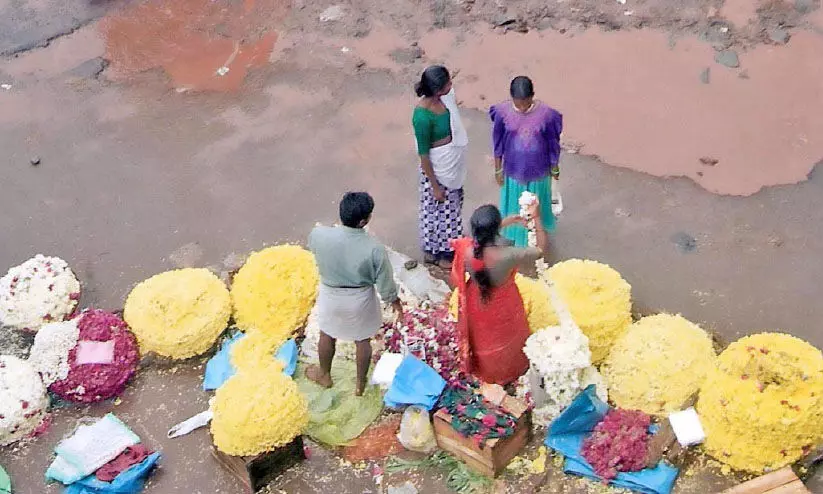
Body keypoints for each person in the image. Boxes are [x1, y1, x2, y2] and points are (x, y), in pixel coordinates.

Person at [306, 192, 404, 396]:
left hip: (331, 296)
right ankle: (360, 385)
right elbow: (385, 284)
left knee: (327, 333)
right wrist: (395, 303)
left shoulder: (319, 235)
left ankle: (324, 374)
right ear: (364, 221)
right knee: (362, 340)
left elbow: (313, 248)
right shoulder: (374, 248)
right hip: (359, 301)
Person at [450, 202, 549, 385]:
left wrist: (503, 223)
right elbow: (540, 250)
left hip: (476, 300)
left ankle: (486, 373)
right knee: (507, 338)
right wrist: (536, 218)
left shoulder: (467, 249)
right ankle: (509, 373)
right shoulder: (509, 254)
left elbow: (481, 240)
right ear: (495, 229)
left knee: (483, 339)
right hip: (504, 304)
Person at [490, 76, 563, 247]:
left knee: (537, 205)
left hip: (539, 170)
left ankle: (538, 236)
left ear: (533, 96)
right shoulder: (502, 113)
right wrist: (498, 169)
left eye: (526, 103)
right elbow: (498, 142)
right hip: (514, 170)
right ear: (511, 98)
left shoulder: (547, 115)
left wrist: (555, 166)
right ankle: (519, 239)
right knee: (517, 206)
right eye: (518, 103)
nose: (522, 108)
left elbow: (553, 142)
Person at [413, 65, 469, 269]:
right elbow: (424, 155)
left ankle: (449, 247)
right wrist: (435, 185)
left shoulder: (445, 99)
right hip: (436, 170)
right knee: (438, 212)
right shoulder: (422, 117)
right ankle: (441, 254)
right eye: (448, 83)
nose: (451, 85)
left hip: (451, 165)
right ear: (437, 90)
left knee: (452, 210)